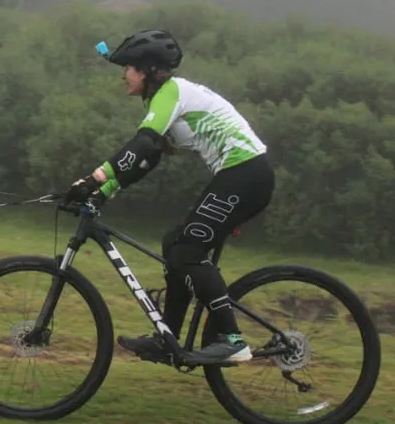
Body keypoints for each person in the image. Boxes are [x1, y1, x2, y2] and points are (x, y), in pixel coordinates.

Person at [66, 29, 276, 365]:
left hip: (246, 174)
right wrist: (101, 193)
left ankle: (232, 339)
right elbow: (147, 160)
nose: (124, 75)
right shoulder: (164, 99)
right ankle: (169, 339)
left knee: (187, 249)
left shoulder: (171, 92)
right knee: (174, 243)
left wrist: (95, 178)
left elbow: (142, 144)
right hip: (242, 175)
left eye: (129, 68)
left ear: (147, 70)